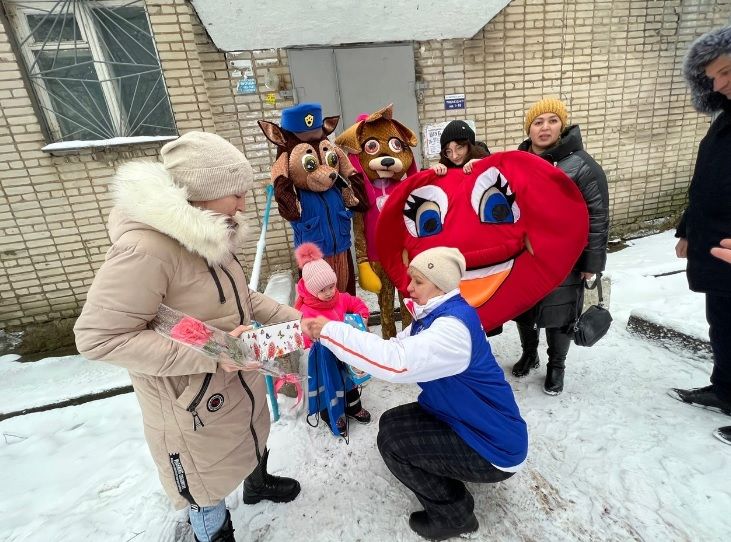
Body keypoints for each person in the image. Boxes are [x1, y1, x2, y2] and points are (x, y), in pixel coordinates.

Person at [73, 132, 302, 542]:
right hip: (190, 399)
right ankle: (213, 534)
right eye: (235, 193)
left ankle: (257, 482)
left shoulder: (215, 231)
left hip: (235, 377)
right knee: (201, 485)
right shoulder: (146, 250)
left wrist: (295, 319)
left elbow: (240, 296)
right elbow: (100, 338)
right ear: (201, 193)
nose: (243, 204)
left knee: (250, 434)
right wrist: (215, 353)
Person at [302, 247, 527, 541]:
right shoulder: (434, 316)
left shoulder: (452, 329)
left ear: (441, 284)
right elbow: (394, 347)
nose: (408, 287)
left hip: (493, 443)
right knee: (391, 421)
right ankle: (448, 478)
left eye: (418, 281)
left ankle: (454, 516)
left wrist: (330, 331)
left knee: (393, 444)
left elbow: (396, 363)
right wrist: (348, 340)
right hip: (467, 419)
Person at [512, 97, 610, 395]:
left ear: (562, 125)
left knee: (560, 312)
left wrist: (592, 264)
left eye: (552, 121)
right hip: (524, 255)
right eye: (537, 122)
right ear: (529, 129)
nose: (545, 128)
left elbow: (597, 216)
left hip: (566, 258)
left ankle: (557, 366)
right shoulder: (519, 163)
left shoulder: (582, 166)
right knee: (523, 309)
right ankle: (530, 353)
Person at [670, 25, 731, 446]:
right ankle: (725, 390)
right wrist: (688, 229)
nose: (720, 83)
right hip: (715, 245)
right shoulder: (724, 119)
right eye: (713, 77)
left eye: (726, 71)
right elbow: (705, 182)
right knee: (723, 324)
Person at [294, 242, 371, 437]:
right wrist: (312, 340)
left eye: (332, 286)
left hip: (344, 352)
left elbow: (357, 303)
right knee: (330, 386)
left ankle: (353, 408)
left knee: (350, 382)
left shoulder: (340, 298)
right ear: (311, 290)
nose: (329, 292)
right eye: (323, 289)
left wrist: (361, 317)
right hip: (324, 360)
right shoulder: (305, 311)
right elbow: (302, 336)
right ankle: (332, 415)